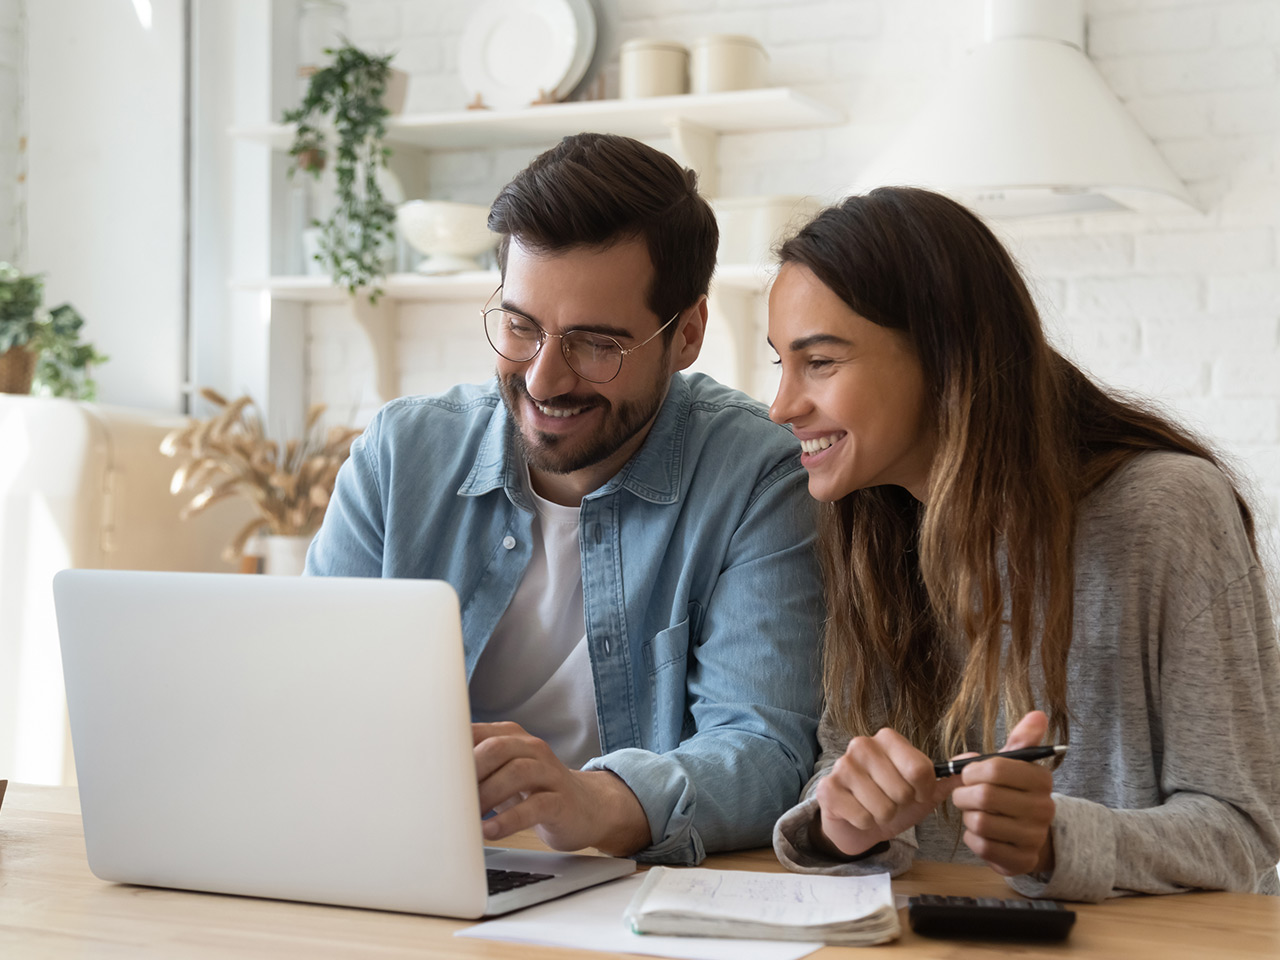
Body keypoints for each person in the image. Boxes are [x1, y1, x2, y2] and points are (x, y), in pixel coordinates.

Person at [307, 133, 823, 864]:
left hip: (624, 893)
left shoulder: (757, 479)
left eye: (595, 343)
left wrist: (593, 801)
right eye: (520, 327)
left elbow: (764, 751)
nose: (544, 380)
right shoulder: (398, 456)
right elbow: (308, 700)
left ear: (688, 335)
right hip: (405, 866)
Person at [766, 186, 1280, 901]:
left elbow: (1244, 831)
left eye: (819, 362)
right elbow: (843, 761)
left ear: (944, 356)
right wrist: (843, 824)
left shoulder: (1167, 511)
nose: (782, 405)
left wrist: (1054, 842)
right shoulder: (873, 526)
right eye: (779, 365)